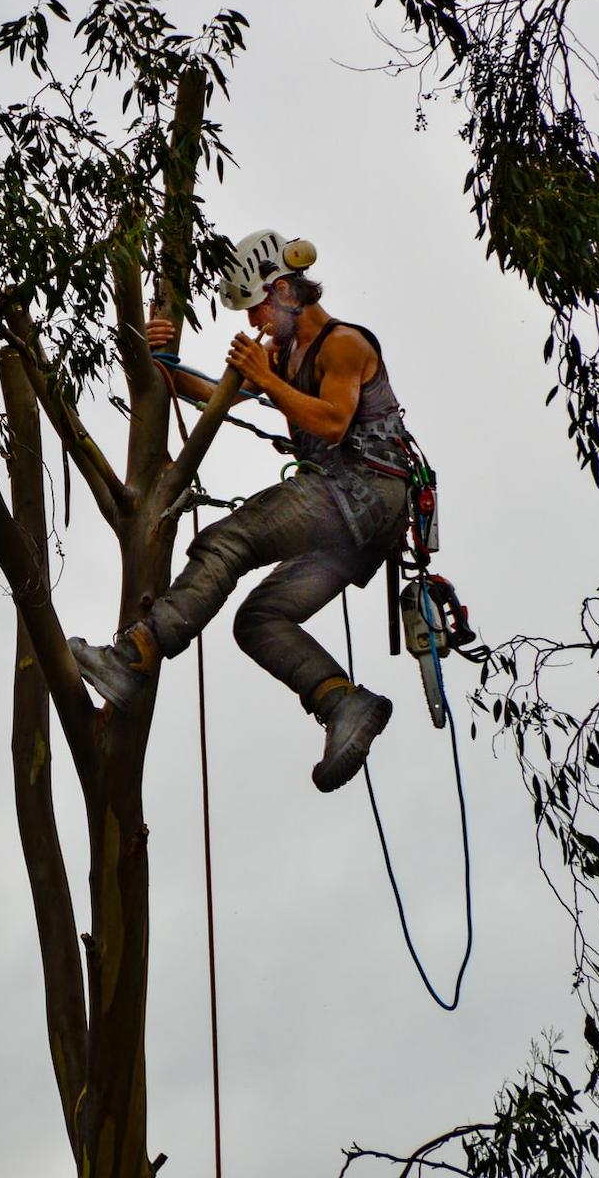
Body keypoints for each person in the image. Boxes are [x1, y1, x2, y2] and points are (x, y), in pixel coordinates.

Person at [69, 229, 414, 791]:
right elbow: (218, 391)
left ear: (283, 289)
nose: (255, 321)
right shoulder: (284, 355)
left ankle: (134, 656)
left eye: (257, 306)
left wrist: (264, 378)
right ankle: (341, 701)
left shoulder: (343, 344)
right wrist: (159, 361)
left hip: (364, 491)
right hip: (352, 523)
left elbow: (330, 421)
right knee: (259, 620)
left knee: (230, 540)